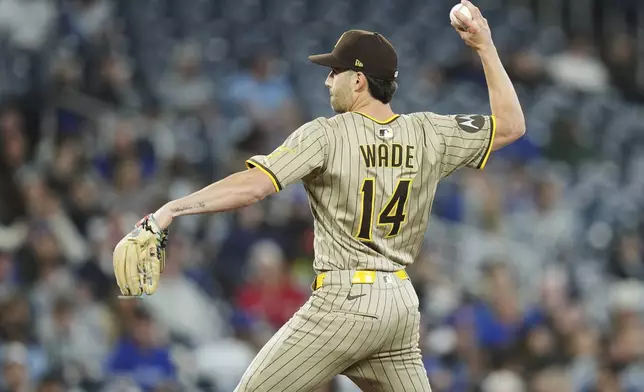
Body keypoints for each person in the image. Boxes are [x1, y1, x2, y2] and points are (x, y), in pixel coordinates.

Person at [148, 1, 525, 390]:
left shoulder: (326, 134)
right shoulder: (429, 132)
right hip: (399, 302)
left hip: (346, 300)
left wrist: (172, 209)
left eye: (335, 71)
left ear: (359, 80)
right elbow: (512, 125)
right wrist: (485, 46)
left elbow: (254, 186)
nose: (328, 81)